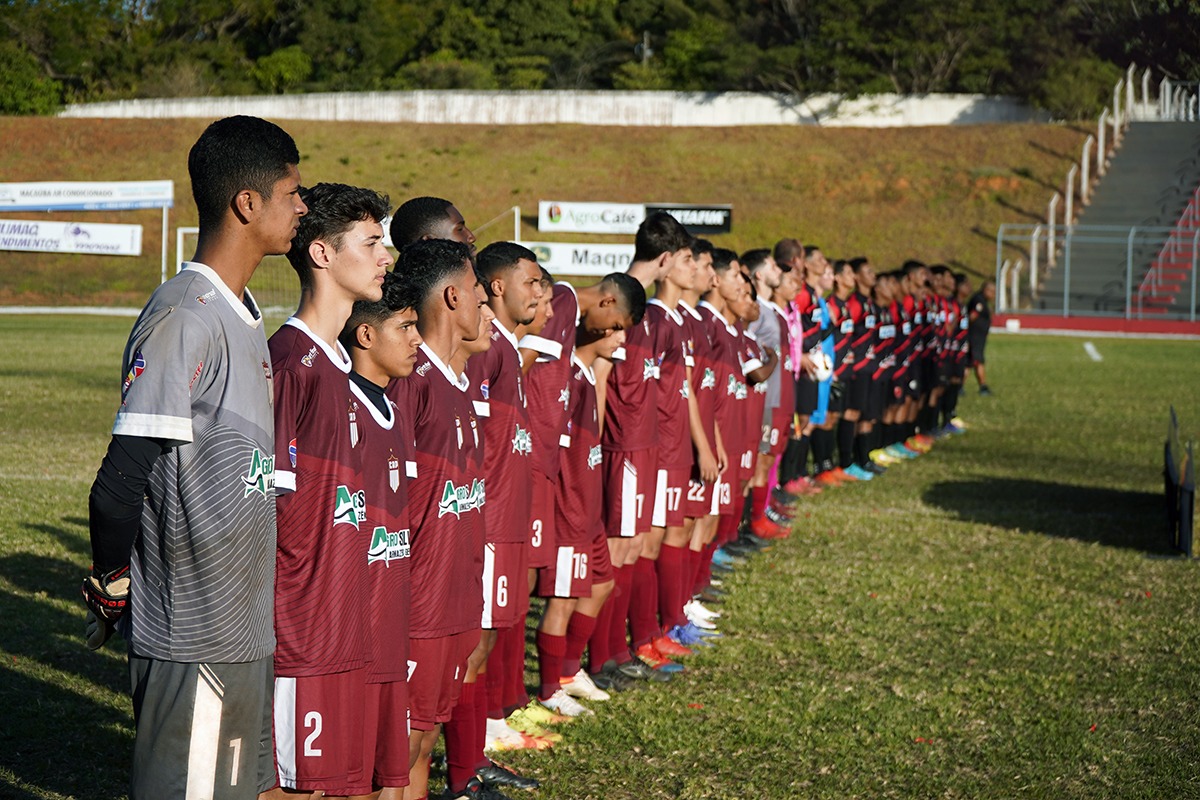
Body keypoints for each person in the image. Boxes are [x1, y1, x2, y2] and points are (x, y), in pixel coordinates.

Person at [82, 115, 305, 799]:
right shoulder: (187, 315)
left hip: (239, 629)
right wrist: (113, 584)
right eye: (292, 193)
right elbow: (119, 486)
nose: (303, 207)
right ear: (247, 203)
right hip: (192, 635)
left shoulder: (241, 313)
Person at [268, 182, 394, 798]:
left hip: (348, 629)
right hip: (303, 639)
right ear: (321, 254)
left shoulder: (344, 368)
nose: (386, 257)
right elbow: (261, 513)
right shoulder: (290, 364)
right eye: (371, 243)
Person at [385, 239, 486, 800]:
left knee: (424, 741)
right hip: (418, 604)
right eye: (476, 292)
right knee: (400, 747)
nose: (482, 305)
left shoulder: (457, 383)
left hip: (453, 598)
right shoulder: (413, 379)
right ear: (452, 296)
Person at [339, 272, 424, 800]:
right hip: (352, 624)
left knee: (390, 763)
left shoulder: (395, 402)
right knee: (349, 774)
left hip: (391, 610)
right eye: (406, 327)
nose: (417, 339)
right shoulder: (341, 404)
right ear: (366, 336)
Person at [968, 278, 994, 395]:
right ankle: (983, 386)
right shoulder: (979, 300)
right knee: (977, 360)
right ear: (985, 290)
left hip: (978, 336)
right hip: (975, 337)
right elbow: (972, 316)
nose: (993, 295)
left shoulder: (981, 300)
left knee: (969, 362)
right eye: (991, 292)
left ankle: (959, 386)